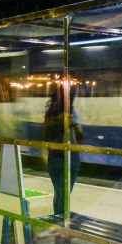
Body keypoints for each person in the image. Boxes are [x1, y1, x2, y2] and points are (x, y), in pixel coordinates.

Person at [44, 85, 83, 216]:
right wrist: (73, 125)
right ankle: (61, 220)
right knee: (64, 194)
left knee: (59, 193)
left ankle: (59, 216)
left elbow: (47, 134)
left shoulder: (50, 113)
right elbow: (79, 136)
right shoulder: (71, 113)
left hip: (53, 158)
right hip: (69, 158)